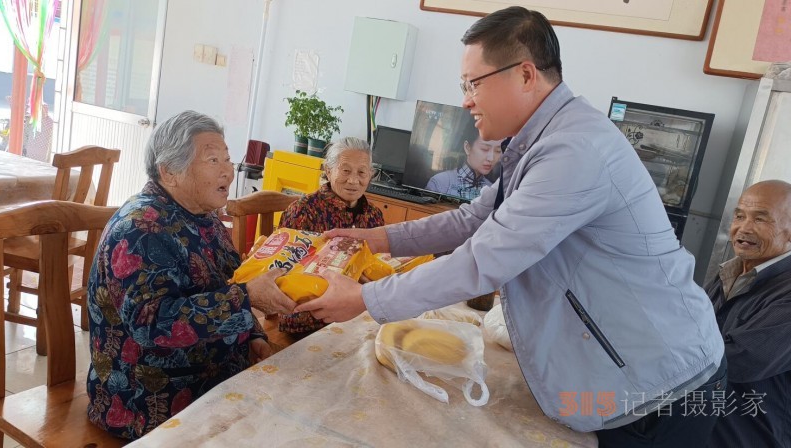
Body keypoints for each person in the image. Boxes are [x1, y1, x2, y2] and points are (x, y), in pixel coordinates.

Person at [296, 7, 725, 447]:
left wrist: (367, 298)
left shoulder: (574, 150)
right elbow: (474, 219)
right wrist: (379, 237)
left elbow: (486, 259)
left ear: (524, 75)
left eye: (473, 83)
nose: (465, 99)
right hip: (621, 370)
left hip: (659, 387)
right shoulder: (540, 141)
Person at [86, 110, 297, 440]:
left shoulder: (203, 216)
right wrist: (247, 300)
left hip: (213, 378)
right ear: (169, 172)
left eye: (227, 159)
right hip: (149, 398)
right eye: (213, 160)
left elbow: (231, 284)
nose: (228, 169)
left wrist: (252, 334)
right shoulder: (140, 230)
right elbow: (151, 324)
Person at [706, 180, 791, 448]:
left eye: (760, 219)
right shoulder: (729, 273)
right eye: (739, 216)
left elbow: (741, 360)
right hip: (703, 426)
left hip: (748, 436)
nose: (744, 228)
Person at [278, 136, 384, 333]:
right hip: (310, 315)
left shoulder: (374, 215)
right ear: (328, 170)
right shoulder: (303, 211)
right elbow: (285, 272)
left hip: (358, 310)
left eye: (362, 172)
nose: (353, 180)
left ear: (370, 175)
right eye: (345, 170)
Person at [425, 124, 503, 200]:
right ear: (467, 147)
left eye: (498, 151)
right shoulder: (440, 183)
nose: (491, 158)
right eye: (485, 149)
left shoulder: (492, 190)